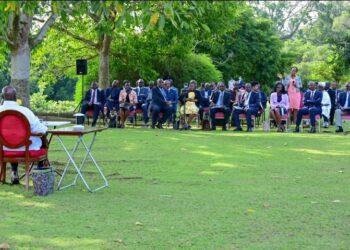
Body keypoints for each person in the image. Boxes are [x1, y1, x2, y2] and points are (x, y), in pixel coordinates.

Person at [0, 86, 48, 184]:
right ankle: (40, 177)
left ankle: (14, 172)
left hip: (3, 149)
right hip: (26, 149)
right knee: (43, 141)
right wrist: (44, 127)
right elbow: (41, 130)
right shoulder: (25, 111)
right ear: (16, 97)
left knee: (12, 140)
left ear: (2, 97)